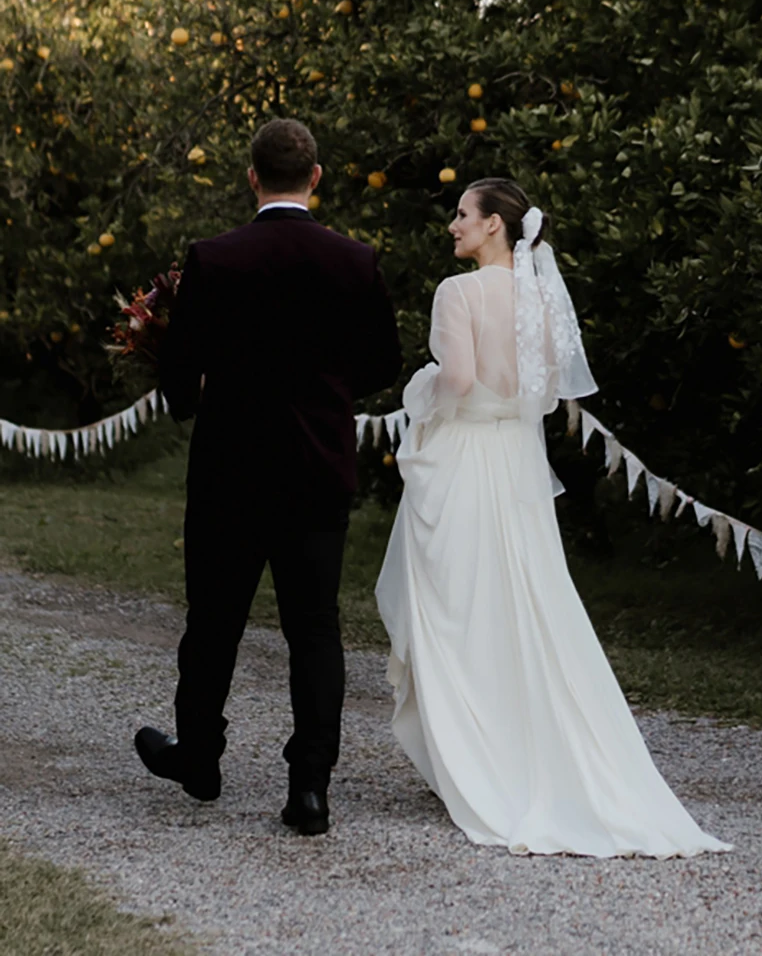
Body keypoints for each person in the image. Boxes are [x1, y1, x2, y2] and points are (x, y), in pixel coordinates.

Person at [375, 178, 731, 858]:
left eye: (461, 215)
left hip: (465, 458)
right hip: (514, 459)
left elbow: (454, 381)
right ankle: (520, 745)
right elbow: (541, 394)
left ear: (492, 228)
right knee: (524, 600)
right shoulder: (539, 295)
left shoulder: (459, 293)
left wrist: (419, 389)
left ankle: (472, 752)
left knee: (461, 603)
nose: (452, 225)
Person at [134, 119, 403, 835]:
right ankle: (309, 786)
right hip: (318, 469)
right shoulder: (355, 261)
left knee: (214, 620)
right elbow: (383, 364)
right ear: (315, 178)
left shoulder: (215, 260)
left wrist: (194, 395)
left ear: (252, 177)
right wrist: (327, 394)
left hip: (230, 471)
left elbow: (178, 380)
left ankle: (199, 758)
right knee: (314, 628)